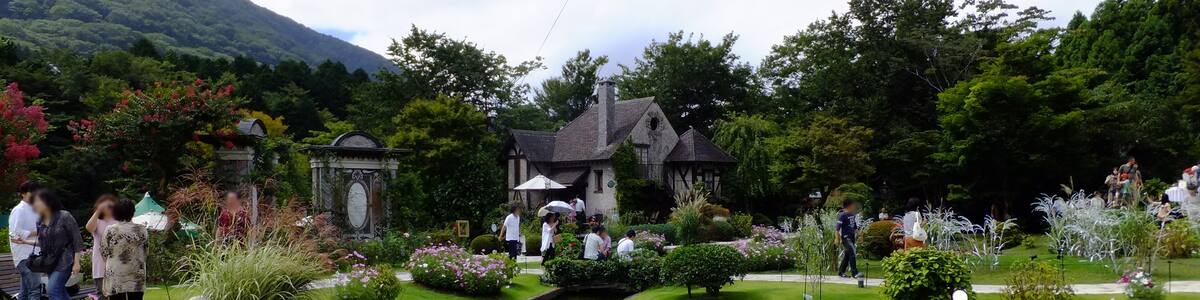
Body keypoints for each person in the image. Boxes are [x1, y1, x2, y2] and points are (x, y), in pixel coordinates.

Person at [27, 189, 84, 300]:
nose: (35, 204)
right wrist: (25, 242)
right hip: (50, 262)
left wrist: (77, 262)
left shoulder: (64, 216)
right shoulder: (40, 221)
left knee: (53, 289)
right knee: (59, 291)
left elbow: (77, 239)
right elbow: (43, 243)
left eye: (37, 201)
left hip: (65, 260)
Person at [100, 198, 148, 300]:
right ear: (133, 212)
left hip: (116, 273)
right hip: (136, 273)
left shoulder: (110, 230)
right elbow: (145, 251)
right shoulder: (142, 229)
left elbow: (104, 252)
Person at [9, 181, 42, 300]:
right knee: (35, 289)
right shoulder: (19, 210)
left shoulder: (35, 209)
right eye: (31, 192)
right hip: (24, 255)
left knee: (25, 291)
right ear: (23, 194)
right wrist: (37, 231)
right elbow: (15, 233)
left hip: (34, 253)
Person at [85, 194, 118, 300]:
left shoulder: (119, 220)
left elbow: (131, 229)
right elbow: (89, 228)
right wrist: (98, 211)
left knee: (117, 294)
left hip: (117, 262)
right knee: (102, 293)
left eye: (111, 206)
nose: (109, 208)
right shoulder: (97, 221)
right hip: (100, 262)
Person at [835, 199, 861, 278]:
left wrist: (860, 236)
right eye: (853, 205)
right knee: (852, 252)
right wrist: (837, 239)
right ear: (849, 206)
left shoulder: (852, 215)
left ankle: (841, 272)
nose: (854, 206)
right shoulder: (842, 215)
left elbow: (855, 227)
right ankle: (855, 273)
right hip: (846, 238)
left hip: (852, 238)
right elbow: (837, 229)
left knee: (847, 255)